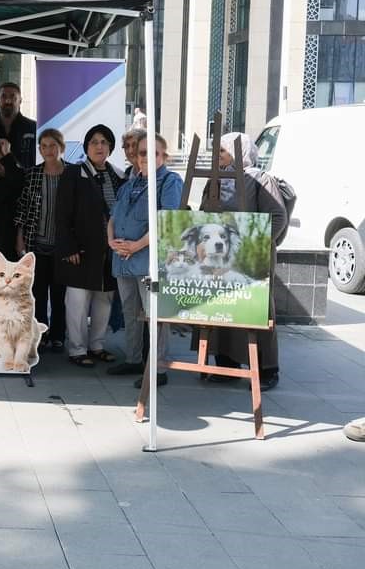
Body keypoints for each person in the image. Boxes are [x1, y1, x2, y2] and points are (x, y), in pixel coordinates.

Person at [197, 131, 286, 391]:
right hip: (220, 259)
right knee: (222, 307)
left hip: (251, 258)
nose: (217, 156)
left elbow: (277, 217)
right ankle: (227, 366)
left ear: (239, 152)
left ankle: (267, 369)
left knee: (256, 311)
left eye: (222, 151)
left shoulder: (260, 179)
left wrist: (253, 244)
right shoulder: (216, 179)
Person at [107, 132, 183, 387]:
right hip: (123, 260)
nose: (146, 157)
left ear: (164, 156)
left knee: (154, 315)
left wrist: (136, 245)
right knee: (130, 312)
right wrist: (110, 241)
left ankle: (158, 368)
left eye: (153, 153)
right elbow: (113, 218)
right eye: (141, 153)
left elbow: (167, 222)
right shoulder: (129, 184)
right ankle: (134, 359)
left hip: (149, 261)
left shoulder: (170, 182)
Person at [54, 125, 127, 366]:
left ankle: (96, 345)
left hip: (109, 252)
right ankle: (77, 349)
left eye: (104, 142)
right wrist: (69, 247)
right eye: (94, 141)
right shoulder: (73, 173)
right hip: (80, 251)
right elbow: (62, 214)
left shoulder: (119, 175)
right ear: (86, 147)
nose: (99, 146)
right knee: (77, 301)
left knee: (104, 299)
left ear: (110, 147)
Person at [14, 128, 69, 354]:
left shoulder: (71, 174)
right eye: (44, 146)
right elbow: (23, 209)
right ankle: (41, 335)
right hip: (36, 244)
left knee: (59, 294)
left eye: (52, 145)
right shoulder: (33, 174)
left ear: (61, 148)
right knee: (37, 292)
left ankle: (58, 335)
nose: (48, 150)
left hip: (62, 246)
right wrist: (20, 240)